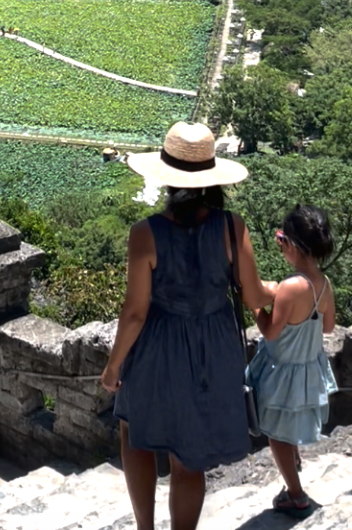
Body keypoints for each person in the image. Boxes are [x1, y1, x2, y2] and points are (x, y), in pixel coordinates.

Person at [101, 122, 276, 530]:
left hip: (157, 346)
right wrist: (291, 289)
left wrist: (113, 367)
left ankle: (145, 527)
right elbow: (252, 297)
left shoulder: (146, 234)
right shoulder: (233, 228)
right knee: (189, 455)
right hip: (214, 349)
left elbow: (135, 313)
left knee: (135, 432)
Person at [246, 205, 338, 518]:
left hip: (280, 371)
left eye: (281, 239)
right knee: (288, 423)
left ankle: (295, 495)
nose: (280, 245)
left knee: (275, 432)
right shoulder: (324, 284)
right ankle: (294, 461)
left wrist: (256, 308)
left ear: (294, 246)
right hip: (307, 368)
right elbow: (327, 327)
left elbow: (271, 333)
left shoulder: (289, 287)